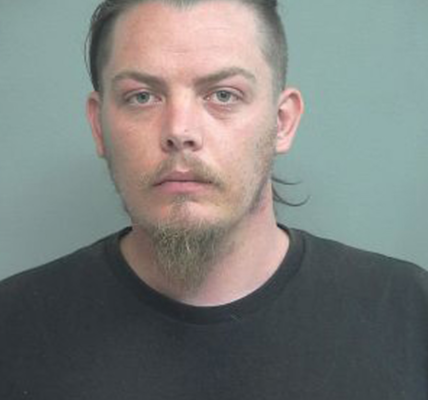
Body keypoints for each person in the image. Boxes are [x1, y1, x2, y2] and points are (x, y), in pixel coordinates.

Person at [1, 0, 427, 398]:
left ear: (281, 123)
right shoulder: (13, 325)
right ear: (99, 126)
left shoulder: (410, 313)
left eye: (223, 94)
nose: (180, 130)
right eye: (142, 96)